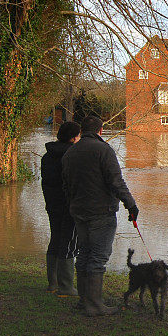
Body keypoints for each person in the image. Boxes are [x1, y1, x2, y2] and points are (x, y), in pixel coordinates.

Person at [61, 116, 138, 316]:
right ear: (100, 131)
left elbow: (66, 186)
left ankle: (84, 301)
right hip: (101, 212)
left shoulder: (71, 152)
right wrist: (131, 204)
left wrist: (73, 206)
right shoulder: (104, 150)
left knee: (84, 253)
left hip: (78, 211)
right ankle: (94, 305)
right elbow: (116, 182)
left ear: (82, 131)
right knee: (98, 257)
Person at [41, 121, 81, 296]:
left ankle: (53, 283)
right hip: (68, 205)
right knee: (69, 242)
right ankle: (66, 287)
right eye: (79, 136)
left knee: (55, 239)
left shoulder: (47, 156)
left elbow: (47, 183)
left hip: (52, 204)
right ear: (73, 138)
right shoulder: (72, 156)